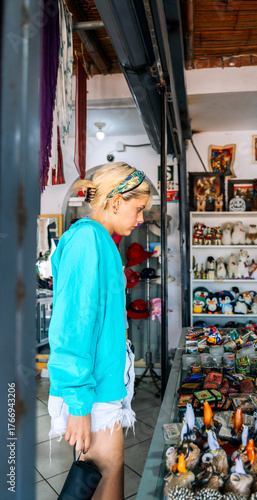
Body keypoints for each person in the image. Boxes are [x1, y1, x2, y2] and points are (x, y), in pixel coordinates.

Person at [47, 161, 152, 500]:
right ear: (116, 200)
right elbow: (72, 324)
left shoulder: (101, 239)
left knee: (108, 479)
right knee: (103, 478)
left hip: (102, 384)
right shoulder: (86, 238)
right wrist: (78, 402)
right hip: (91, 391)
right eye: (138, 209)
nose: (140, 219)